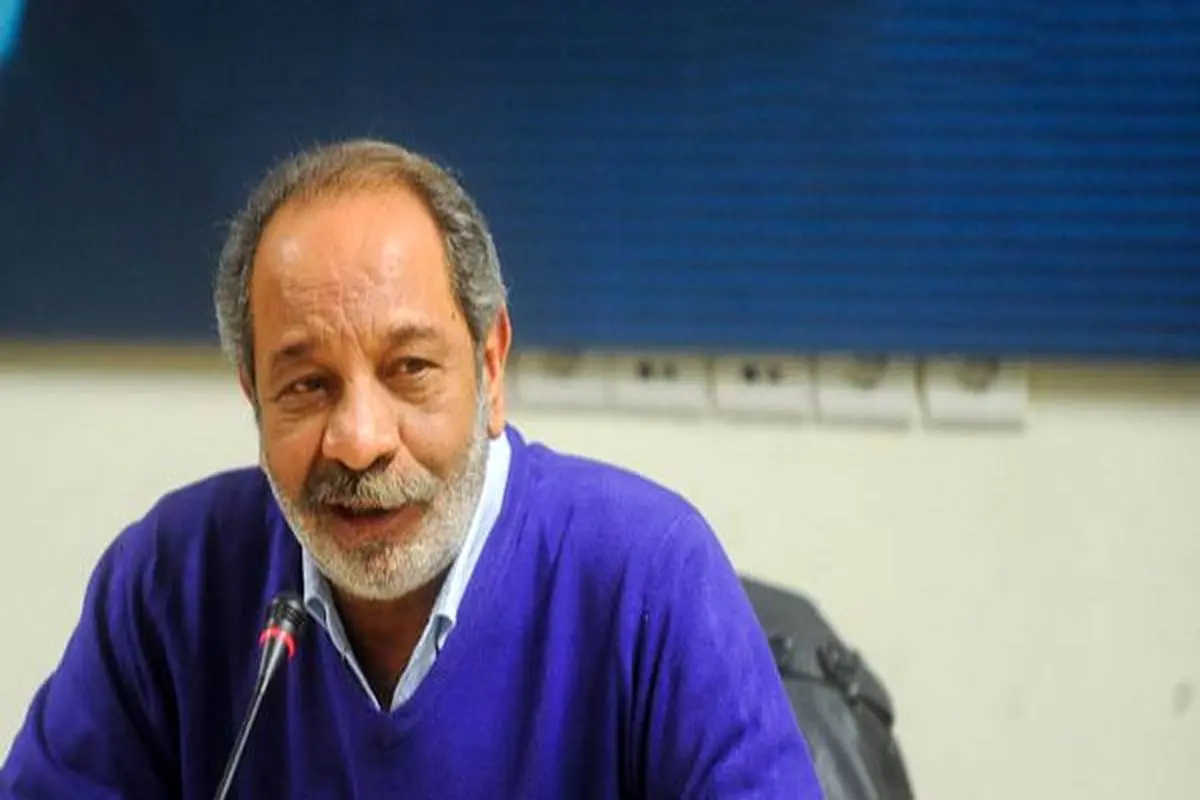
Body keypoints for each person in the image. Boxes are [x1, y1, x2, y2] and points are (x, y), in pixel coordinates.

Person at [0, 139, 822, 798]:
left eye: (410, 369)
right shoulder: (168, 581)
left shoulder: (650, 572)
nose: (359, 442)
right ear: (253, 395)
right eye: (307, 385)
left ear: (490, 366)